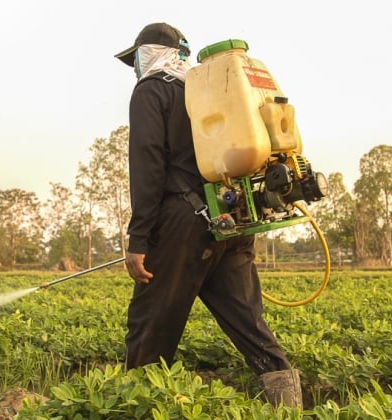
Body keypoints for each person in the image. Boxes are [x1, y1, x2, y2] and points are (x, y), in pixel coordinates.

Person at [114, 22, 302, 408]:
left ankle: (135, 406)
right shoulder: (212, 93)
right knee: (248, 322)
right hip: (232, 219)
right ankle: (289, 406)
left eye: (134, 59)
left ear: (147, 54)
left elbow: (148, 167)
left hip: (182, 224)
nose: (133, 67)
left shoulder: (152, 90)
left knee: (150, 324)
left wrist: (139, 240)